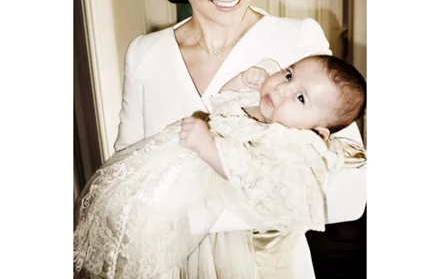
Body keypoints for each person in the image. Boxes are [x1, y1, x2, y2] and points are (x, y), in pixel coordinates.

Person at [113, 0, 367, 277]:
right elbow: (123, 179)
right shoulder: (145, 55)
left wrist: (196, 208)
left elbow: (351, 191)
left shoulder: (297, 42)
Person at [74, 55, 366, 278]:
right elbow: (221, 102)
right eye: (289, 75)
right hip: (169, 167)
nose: (281, 89)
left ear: (317, 131)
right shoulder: (258, 100)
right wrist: (240, 81)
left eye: (300, 98)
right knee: (124, 211)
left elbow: (250, 174)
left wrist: (208, 147)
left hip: (218, 222)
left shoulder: (286, 142)